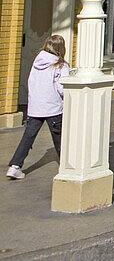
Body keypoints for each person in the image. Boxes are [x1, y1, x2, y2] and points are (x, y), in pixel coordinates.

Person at [7, 35, 67, 180]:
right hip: (53, 107)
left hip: (35, 106)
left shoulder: (37, 62)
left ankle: (15, 166)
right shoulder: (60, 65)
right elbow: (62, 88)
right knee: (59, 138)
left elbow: (31, 82)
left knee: (28, 137)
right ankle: (66, 166)